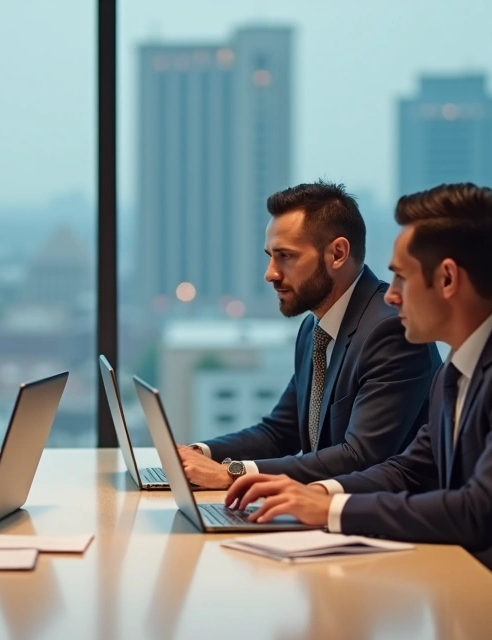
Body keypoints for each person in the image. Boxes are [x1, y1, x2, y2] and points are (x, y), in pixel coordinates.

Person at [226, 183, 492, 610]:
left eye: (402, 275)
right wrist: (320, 494)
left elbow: (478, 511)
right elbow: (410, 469)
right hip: (474, 588)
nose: (391, 294)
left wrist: (329, 512)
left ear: (448, 279)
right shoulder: (461, 367)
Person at [177, 181, 440, 488]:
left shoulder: (390, 330)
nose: (270, 273)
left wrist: (231, 473)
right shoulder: (313, 330)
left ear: (338, 253)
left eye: (285, 256)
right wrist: (196, 454)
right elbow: (279, 433)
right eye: (270, 256)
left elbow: (360, 456)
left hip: (383, 524)